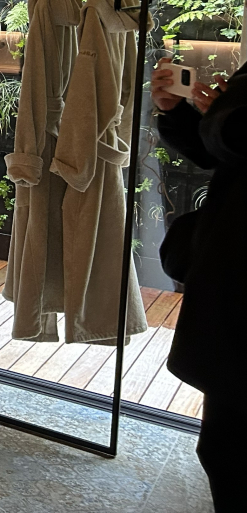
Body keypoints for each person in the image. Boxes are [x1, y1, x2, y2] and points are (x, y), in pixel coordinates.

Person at [152, 57, 247, 511]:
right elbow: (224, 151)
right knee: (223, 447)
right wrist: (180, 114)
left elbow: (236, 136)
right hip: (233, 281)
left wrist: (223, 116)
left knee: (231, 451)